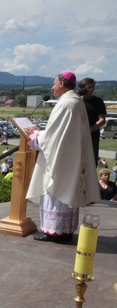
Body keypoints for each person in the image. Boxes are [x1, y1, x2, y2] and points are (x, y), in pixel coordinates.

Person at [25, 71, 100, 242]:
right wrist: (43, 132)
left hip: (61, 159)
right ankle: (64, 231)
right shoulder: (76, 102)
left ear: (61, 84)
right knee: (65, 193)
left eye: (54, 83)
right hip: (70, 155)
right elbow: (61, 132)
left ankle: (54, 232)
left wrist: (37, 135)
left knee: (56, 191)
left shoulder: (66, 104)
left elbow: (54, 137)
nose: (52, 87)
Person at [78, 77, 106, 165]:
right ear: (82, 88)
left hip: (92, 136)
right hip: (77, 135)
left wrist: (88, 130)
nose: (92, 90)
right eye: (89, 87)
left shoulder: (97, 101)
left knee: (90, 163)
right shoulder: (76, 100)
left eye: (93, 87)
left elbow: (102, 120)